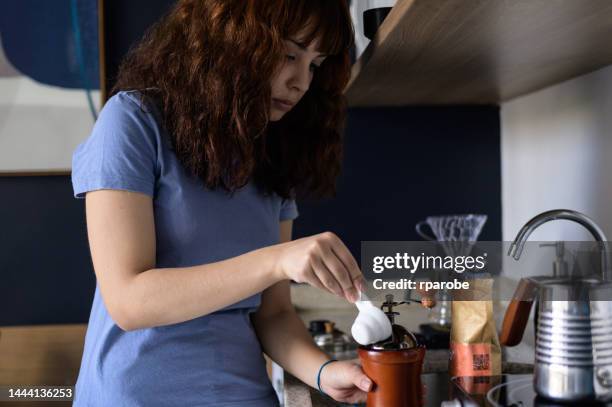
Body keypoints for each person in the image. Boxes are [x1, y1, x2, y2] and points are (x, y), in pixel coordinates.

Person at [71, 1, 421, 405]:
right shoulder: (133, 121)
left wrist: (326, 373)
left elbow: (273, 315)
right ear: (233, 39)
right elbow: (129, 301)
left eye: (315, 64)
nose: (301, 82)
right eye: (290, 54)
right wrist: (276, 260)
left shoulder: (272, 151)